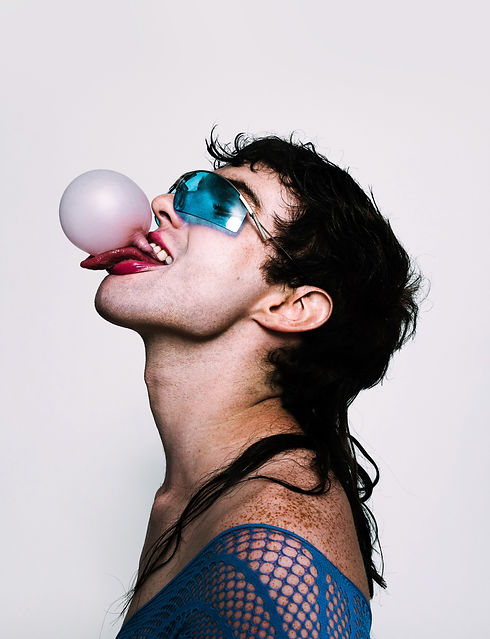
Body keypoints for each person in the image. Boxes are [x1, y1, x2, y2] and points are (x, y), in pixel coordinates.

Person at [93, 132, 421, 638]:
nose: (159, 204)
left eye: (219, 201)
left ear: (292, 306)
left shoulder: (274, 551)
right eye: (184, 188)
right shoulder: (189, 497)